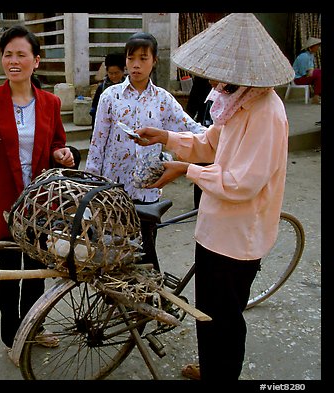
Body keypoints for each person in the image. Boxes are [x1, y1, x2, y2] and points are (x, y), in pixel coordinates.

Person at [133, 13, 293, 380]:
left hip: (238, 237)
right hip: (213, 229)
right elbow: (209, 144)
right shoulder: (235, 101)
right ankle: (211, 369)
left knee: (226, 317)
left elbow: (242, 183)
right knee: (207, 310)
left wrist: (184, 170)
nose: (213, 79)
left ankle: (223, 375)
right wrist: (166, 137)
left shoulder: (267, 112)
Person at [0, 25, 75, 363]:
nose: (14, 61)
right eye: (8, 54)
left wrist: (64, 153)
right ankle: (11, 334)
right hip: (3, 202)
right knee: (9, 272)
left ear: (36, 61)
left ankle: (33, 327)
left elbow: (58, 142)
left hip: (41, 204)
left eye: (21, 55)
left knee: (37, 271)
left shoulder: (51, 103)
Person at [84, 32, 205, 259]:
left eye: (143, 58)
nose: (136, 65)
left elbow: (191, 128)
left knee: (145, 255)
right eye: (131, 59)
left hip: (148, 192)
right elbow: (97, 143)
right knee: (112, 258)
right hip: (112, 190)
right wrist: (92, 186)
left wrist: (224, 137)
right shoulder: (110, 96)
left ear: (154, 61)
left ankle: (149, 295)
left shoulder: (163, 99)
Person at [185, 75, 214, 208]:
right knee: (202, 164)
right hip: (203, 125)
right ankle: (199, 204)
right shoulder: (202, 80)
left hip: (213, 127)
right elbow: (192, 103)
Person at [90, 51, 126, 126]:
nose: (113, 76)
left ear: (123, 71)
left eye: (116, 73)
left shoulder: (129, 87)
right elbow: (95, 110)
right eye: (111, 73)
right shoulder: (102, 88)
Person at [292, 37, 321, 104]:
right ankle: (316, 96)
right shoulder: (304, 56)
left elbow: (311, 69)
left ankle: (317, 96)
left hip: (306, 77)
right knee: (319, 73)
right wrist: (311, 71)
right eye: (317, 46)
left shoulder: (311, 55)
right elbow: (303, 73)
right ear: (311, 47)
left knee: (319, 74)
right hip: (299, 79)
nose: (318, 48)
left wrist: (312, 71)